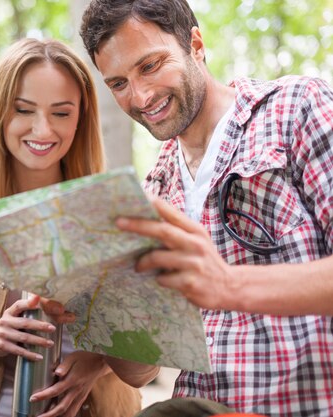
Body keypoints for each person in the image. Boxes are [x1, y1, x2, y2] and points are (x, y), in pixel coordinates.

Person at [79, 0, 333, 416]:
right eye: (118, 83)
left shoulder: (298, 109)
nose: (140, 96)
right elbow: (143, 371)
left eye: (150, 65)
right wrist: (93, 306)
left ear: (195, 44)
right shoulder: (154, 190)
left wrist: (228, 285)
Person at [0, 38, 157, 417]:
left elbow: (149, 362)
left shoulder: (112, 212)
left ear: (81, 117)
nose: (42, 130)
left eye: (61, 113)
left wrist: (99, 361)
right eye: (24, 110)